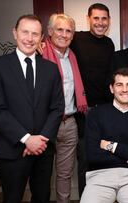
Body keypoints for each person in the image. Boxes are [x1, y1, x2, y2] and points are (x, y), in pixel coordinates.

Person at [0, 14, 64, 202]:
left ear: (42, 37)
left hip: (43, 149)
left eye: (35, 34)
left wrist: (40, 140)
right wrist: (27, 139)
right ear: (15, 33)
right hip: (12, 149)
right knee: (12, 198)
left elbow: (57, 107)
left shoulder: (51, 69)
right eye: (25, 32)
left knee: (43, 197)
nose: (29, 38)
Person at [80, 68, 128, 203]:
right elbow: (92, 156)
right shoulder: (96, 114)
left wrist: (111, 146)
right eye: (119, 85)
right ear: (111, 88)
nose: (124, 89)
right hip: (100, 176)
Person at [69, 3, 115, 196]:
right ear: (88, 19)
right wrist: (41, 44)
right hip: (83, 111)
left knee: (105, 157)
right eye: (96, 18)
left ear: (109, 21)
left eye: (104, 19)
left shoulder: (109, 43)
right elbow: (56, 41)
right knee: (85, 160)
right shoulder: (76, 38)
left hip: (105, 110)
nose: (100, 22)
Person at [41, 13, 87, 203]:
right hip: (44, 123)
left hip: (69, 122)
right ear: (50, 31)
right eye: (59, 29)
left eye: (69, 31)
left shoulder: (72, 57)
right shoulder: (39, 53)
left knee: (65, 174)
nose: (64, 34)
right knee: (41, 174)